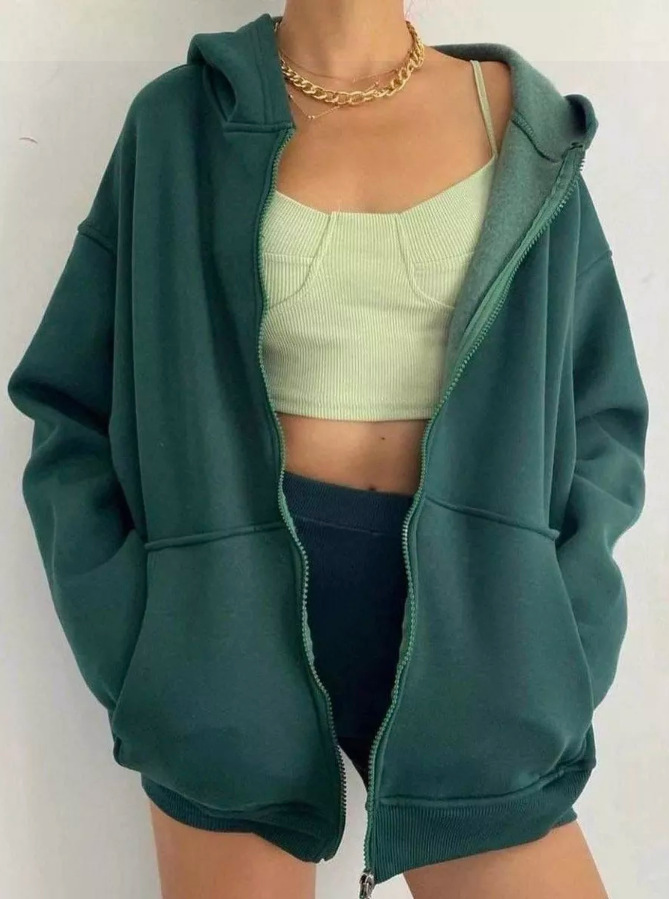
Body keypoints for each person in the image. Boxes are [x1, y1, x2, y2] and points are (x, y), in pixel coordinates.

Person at [6, 2, 649, 897]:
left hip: (488, 638)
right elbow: (68, 397)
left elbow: (604, 414)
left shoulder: (522, 125)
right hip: (220, 636)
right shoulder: (179, 123)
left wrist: (560, 641)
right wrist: (140, 643)